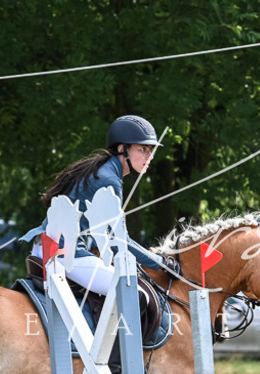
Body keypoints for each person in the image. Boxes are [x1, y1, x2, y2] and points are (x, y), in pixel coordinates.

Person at [20, 114, 179, 296]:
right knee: (134, 293)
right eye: (143, 149)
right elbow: (118, 241)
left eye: (151, 150)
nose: (149, 156)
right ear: (122, 149)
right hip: (66, 254)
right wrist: (160, 263)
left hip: (48, 247)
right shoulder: (108, 180)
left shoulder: (103, 169)